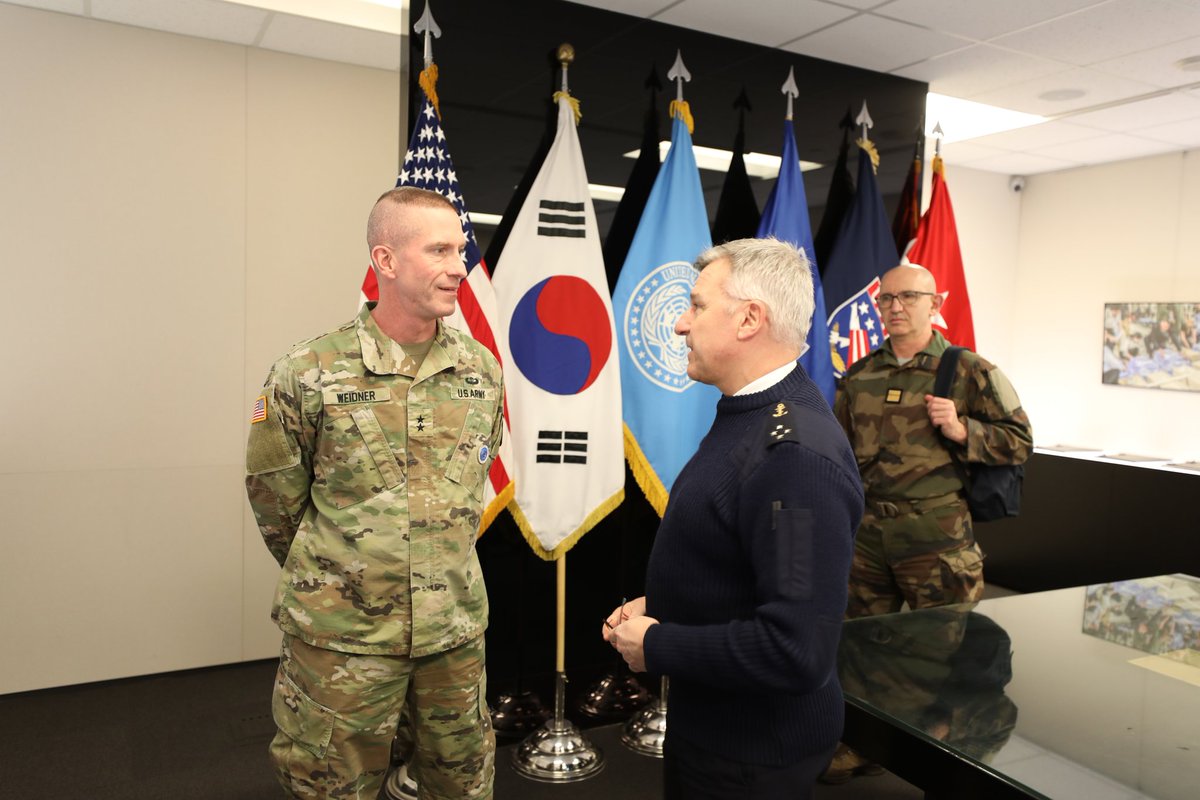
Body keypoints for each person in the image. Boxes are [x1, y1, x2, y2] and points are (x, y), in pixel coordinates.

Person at [245, 186, 503, 800]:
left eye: (461, 249)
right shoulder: (309, 369)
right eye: (439, 250)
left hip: (452, 636)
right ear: (385, 261)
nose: (458, 267)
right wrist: (341, 580)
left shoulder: (480, 369)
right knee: (331, 786)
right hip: (343, 642)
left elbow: (471, 488)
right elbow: (275, 500)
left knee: (462, 786)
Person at [602, 238, 863, 800]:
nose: (679, 324)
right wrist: (672, 603)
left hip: (750, 757)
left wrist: (659, 645)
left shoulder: (793, 459)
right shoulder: (754, 417)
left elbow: (795, 650)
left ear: (749, 319)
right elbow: (744, 563)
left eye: (696, 306)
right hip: (721, 732)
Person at [825, 263, 1031, 783]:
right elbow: (841, 453)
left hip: (936, 537)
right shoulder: (860, 374)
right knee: (862, 645)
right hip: (869, 535)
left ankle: (955, 754)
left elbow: (1020, 440)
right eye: (887, 299)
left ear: (935, 304)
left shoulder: (967, 370)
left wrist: (964, 430)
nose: (895, 306)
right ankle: (865, 744)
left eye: (909, 297)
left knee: (947, 647)